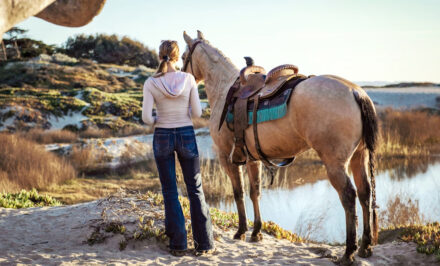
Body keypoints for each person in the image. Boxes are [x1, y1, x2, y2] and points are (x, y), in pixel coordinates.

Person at [142, 40, 214, 256]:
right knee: (195, 189)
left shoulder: (150, 82)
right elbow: (198, 113)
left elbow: (146, 118)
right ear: (176, 57)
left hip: (162, 135)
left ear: (159, 56)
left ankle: (178, 245)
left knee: (170, 191)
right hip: (186, 134)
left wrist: (160, 117)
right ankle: (204, 244)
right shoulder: (189, 79)